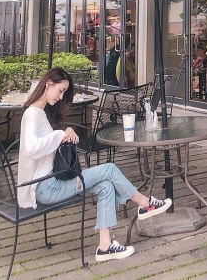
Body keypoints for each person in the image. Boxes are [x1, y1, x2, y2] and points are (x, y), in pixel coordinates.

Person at [17, 68, 172, 263]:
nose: (61, 96)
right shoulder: (33, 113)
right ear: (49, 84)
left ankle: (105, 246)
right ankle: (144, 203)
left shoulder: (39, 113)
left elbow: (45, 144)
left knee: (106, 186)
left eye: (64, 92)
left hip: (52, 181)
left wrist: (65, 131)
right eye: (61, 90)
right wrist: (59, 135)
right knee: (109, 169)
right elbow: (31, 148)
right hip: (46, 186)